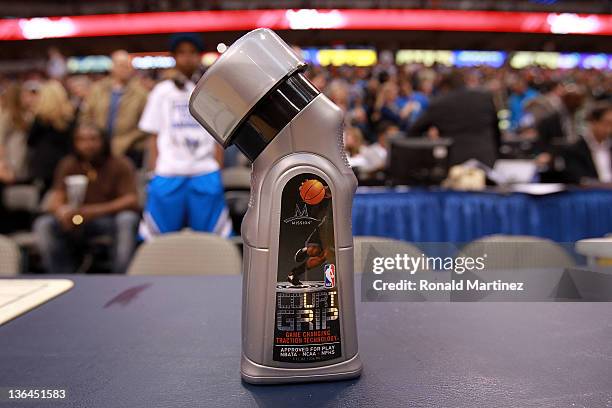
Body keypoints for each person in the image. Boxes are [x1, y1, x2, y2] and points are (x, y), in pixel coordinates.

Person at [138, 33, 232, 240]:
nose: (187, 58)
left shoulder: (211, 90)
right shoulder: (161, 91)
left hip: (205, 171)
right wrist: (154, 170)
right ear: (174, 57)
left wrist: (217, 167)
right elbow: (153, 134)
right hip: (168, 172)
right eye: (181, 53)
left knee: (212, 239)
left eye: (192, 53)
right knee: (159, 239)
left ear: (199, 56)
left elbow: (219, 134)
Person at [34, 124, 140, 274]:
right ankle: (63, 276)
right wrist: (61, 210)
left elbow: (131, 200)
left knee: (127, 219)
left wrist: (93, 211)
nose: (87, 145)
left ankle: (122, 277)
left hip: (109, 219)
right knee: (44, 224)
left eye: (93, 139)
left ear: (103, 141)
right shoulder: (68, 164)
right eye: (81, 140)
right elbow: (56, 197)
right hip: (77, 219)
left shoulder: (120, 164)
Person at [407, 70, 501, 167]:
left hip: (455, 161)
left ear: (445, 86)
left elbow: (414, 131)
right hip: (486, 159)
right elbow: (496, 131)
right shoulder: (484, 98)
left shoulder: (440, 103)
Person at [80, 50, 149, 167]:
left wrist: (126, 141)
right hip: (98, 148)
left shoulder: (141, 94)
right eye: (121, 65)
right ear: (112, 67)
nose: (125, 69)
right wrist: (92, 139)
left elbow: (146, 125)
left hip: (130, 150)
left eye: (127, 66)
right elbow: (86, 116)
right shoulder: (97, 90)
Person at [27, 80, 75, 194]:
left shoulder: (41, 119)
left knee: (44, 198)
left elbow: (30, 141)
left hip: (44, 166)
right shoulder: (70, 118)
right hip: (65, 163)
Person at [558, 103, 611, 184]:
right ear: (593, 122)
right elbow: (579, 179)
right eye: (607, 123)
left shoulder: (609, 145)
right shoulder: (574, 149)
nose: (610, 128)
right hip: (592, 193)